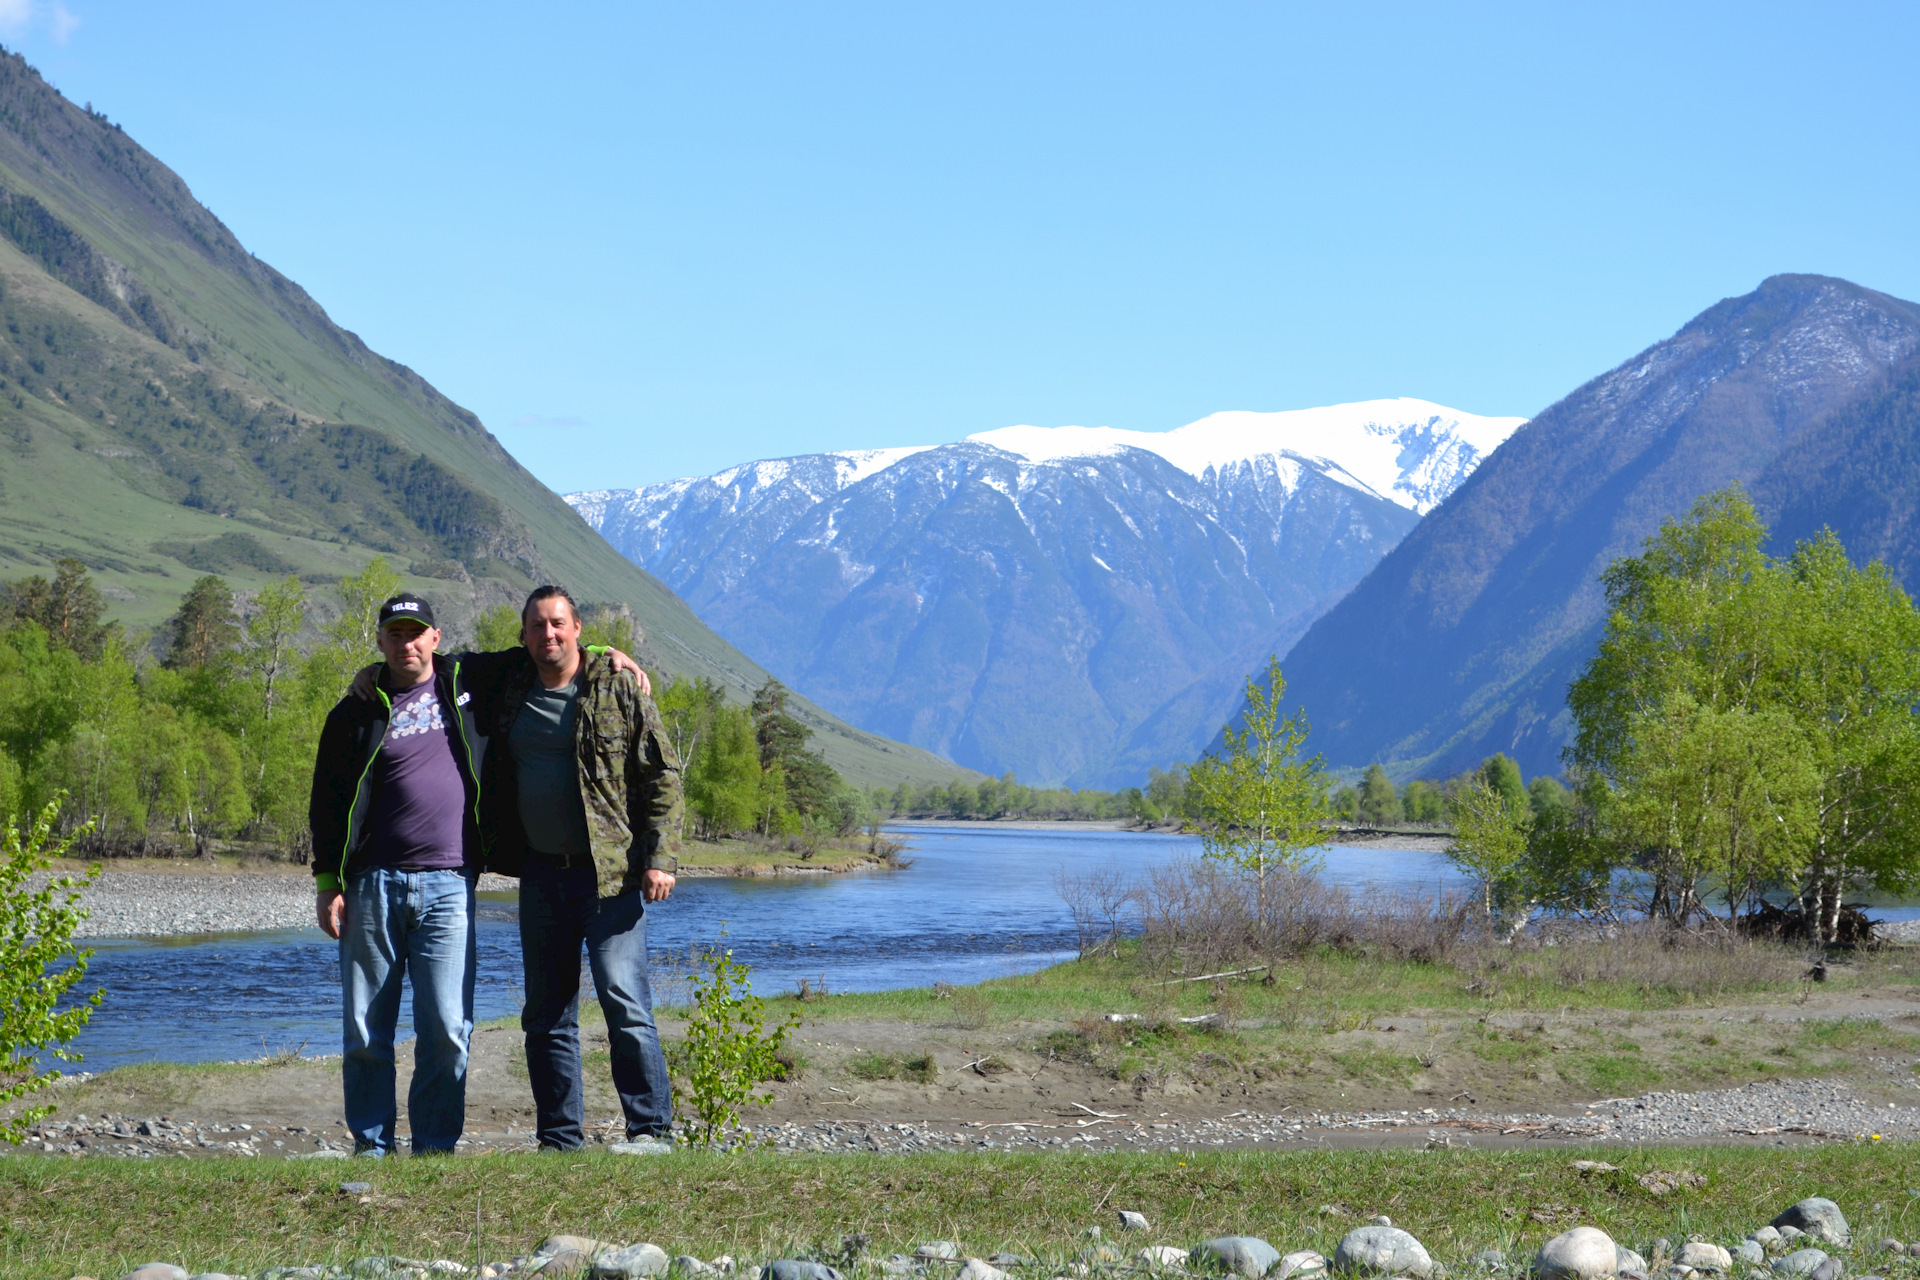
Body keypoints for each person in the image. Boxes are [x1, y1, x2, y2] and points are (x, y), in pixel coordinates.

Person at [481, 584, 683, 1152]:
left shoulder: (616, 684)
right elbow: (434, 662)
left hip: (611, 877)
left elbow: (662, 775)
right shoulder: (511, 685)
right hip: (541, 875)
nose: (549, 634)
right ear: (523, 636)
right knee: (546, 1015)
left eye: (559, 624)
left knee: (626, 1005)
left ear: (577, 629)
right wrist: (373, 674)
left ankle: (649, 1132)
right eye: (538, 626)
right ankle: (559, 1139)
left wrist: (659, 858)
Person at [308, 593, 486, 1156]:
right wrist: (327, 883)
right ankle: (372, 1146)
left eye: (417, 633)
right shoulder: (353, 712)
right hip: (372, 886)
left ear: (436, 637)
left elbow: (545, 649)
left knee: (447, 1029)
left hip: (449, 885)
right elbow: (328, 803)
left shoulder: (469, 686)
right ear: (380, 641)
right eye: (394, 634)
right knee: (365, 1031)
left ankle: (434, 1150)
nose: (406, 643)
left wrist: (604, 651)